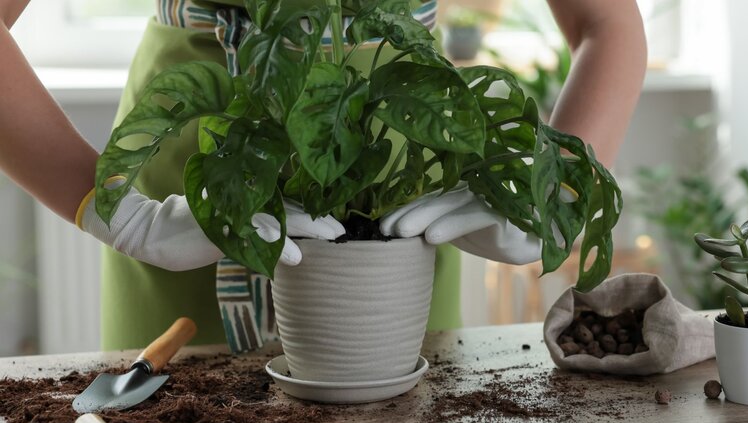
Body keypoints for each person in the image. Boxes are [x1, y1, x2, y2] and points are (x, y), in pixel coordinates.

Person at [0, 0, 646, 350]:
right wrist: (118, 213)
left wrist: (555, 194)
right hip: (197, 178)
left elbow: (607, 19)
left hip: (398, 164)